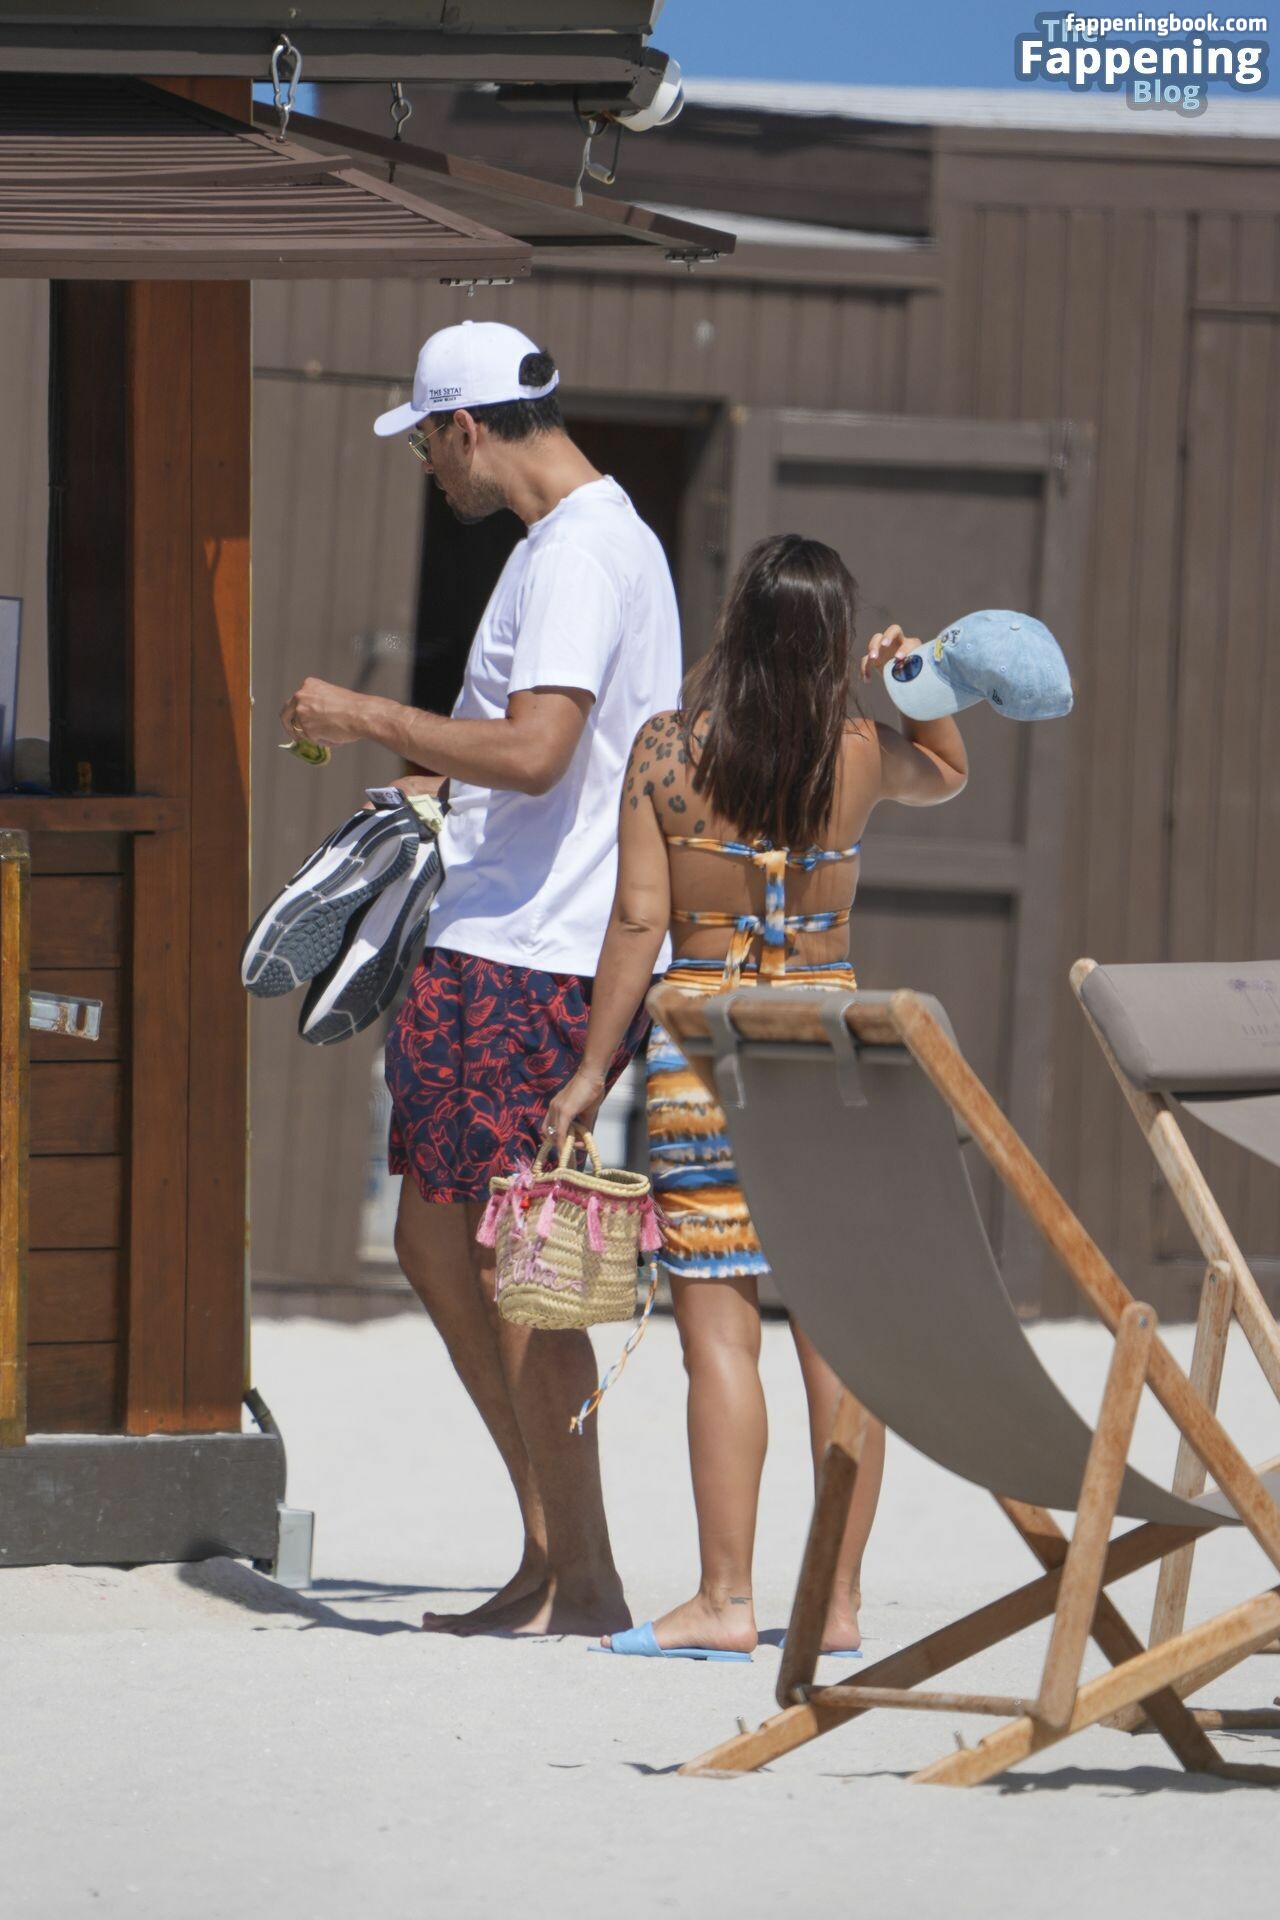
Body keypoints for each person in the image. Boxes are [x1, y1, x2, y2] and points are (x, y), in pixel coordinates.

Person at [280, 320, 682, 1638]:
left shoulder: (574, 554)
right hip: (508, 942)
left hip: (531, 953)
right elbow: (531, 762)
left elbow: (539, 751)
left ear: (464, 428)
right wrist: (419, 790)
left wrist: (365, 716)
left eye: (426, 444)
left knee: (520, 1265)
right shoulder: (580, 543)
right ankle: (552, 1553)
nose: (426, 470)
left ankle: (584, 1578)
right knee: (441, 1243)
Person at [546, 534, 969, 1657]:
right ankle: (835, 1603)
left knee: (721, 1342)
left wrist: (589, 1071)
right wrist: (915, 678)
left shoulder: (665, 752)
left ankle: (725, 1601)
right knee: (839, 1339)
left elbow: (639, 922)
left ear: (736, 625)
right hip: (827, 1051)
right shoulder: (859, 751)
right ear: (834, 640)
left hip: (703, 1053)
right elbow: (949, 770)